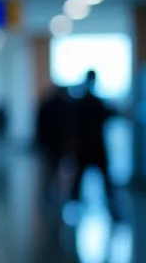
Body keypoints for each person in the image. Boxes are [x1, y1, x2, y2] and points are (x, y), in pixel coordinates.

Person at [69, 70, 120, 216]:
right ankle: (111, 207)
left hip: (87, 146)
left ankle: (75, 206)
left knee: (82, 178)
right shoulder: (96, 102)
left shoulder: (82, 101)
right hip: (93, 145)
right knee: (87, 178)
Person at [35, 83, 72, 204]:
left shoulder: (47, 104)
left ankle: (50, 193)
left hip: (51, 144)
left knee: (50, 169)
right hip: (57, 144)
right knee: (53, 169)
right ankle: (54, 193)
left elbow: (39, 126)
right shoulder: (64, 105)